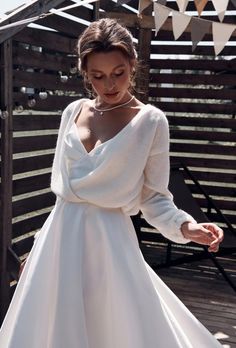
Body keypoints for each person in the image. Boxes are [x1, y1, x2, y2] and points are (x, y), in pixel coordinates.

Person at [0, 18, 223, 348]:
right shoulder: (72, 111)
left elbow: (154, 198)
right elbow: (63, 192)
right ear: (85, 72)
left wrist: (185, 227)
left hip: (109, 243)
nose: (109, 84)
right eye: (98, 76)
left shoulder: (150, 122)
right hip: (58, 242)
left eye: (118, 72)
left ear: (132, 64)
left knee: (115, 331)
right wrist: (39, 244)